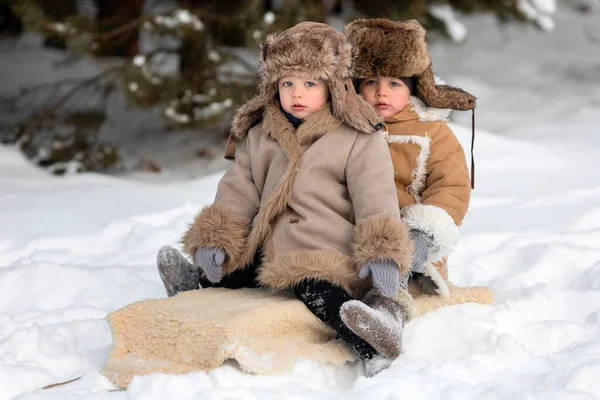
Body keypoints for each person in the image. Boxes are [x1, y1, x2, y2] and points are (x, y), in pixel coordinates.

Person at [156, 21, 413, 376]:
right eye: (287, 83)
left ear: (334, 86)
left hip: (326, 246)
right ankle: (197, 283)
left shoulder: (358, 137)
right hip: (269, 241)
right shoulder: (263, 133)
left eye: (310, 83)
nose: (297, 93)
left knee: (315, 288)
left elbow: (376, 196)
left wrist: (382, 251)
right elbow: (239, 187)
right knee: (235, 270)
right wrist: (216, 238)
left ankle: (372, 344)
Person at [345, 18, 477, 297]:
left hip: (414, 245)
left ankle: (392, 305)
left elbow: (451, 187)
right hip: (356, 239)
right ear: (356, 87)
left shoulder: (433, 132)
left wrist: (424, 235)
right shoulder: (346, 130)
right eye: (371, 82)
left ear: (413, 88)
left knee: (398, 282)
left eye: (394, 83)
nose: (381, 92)